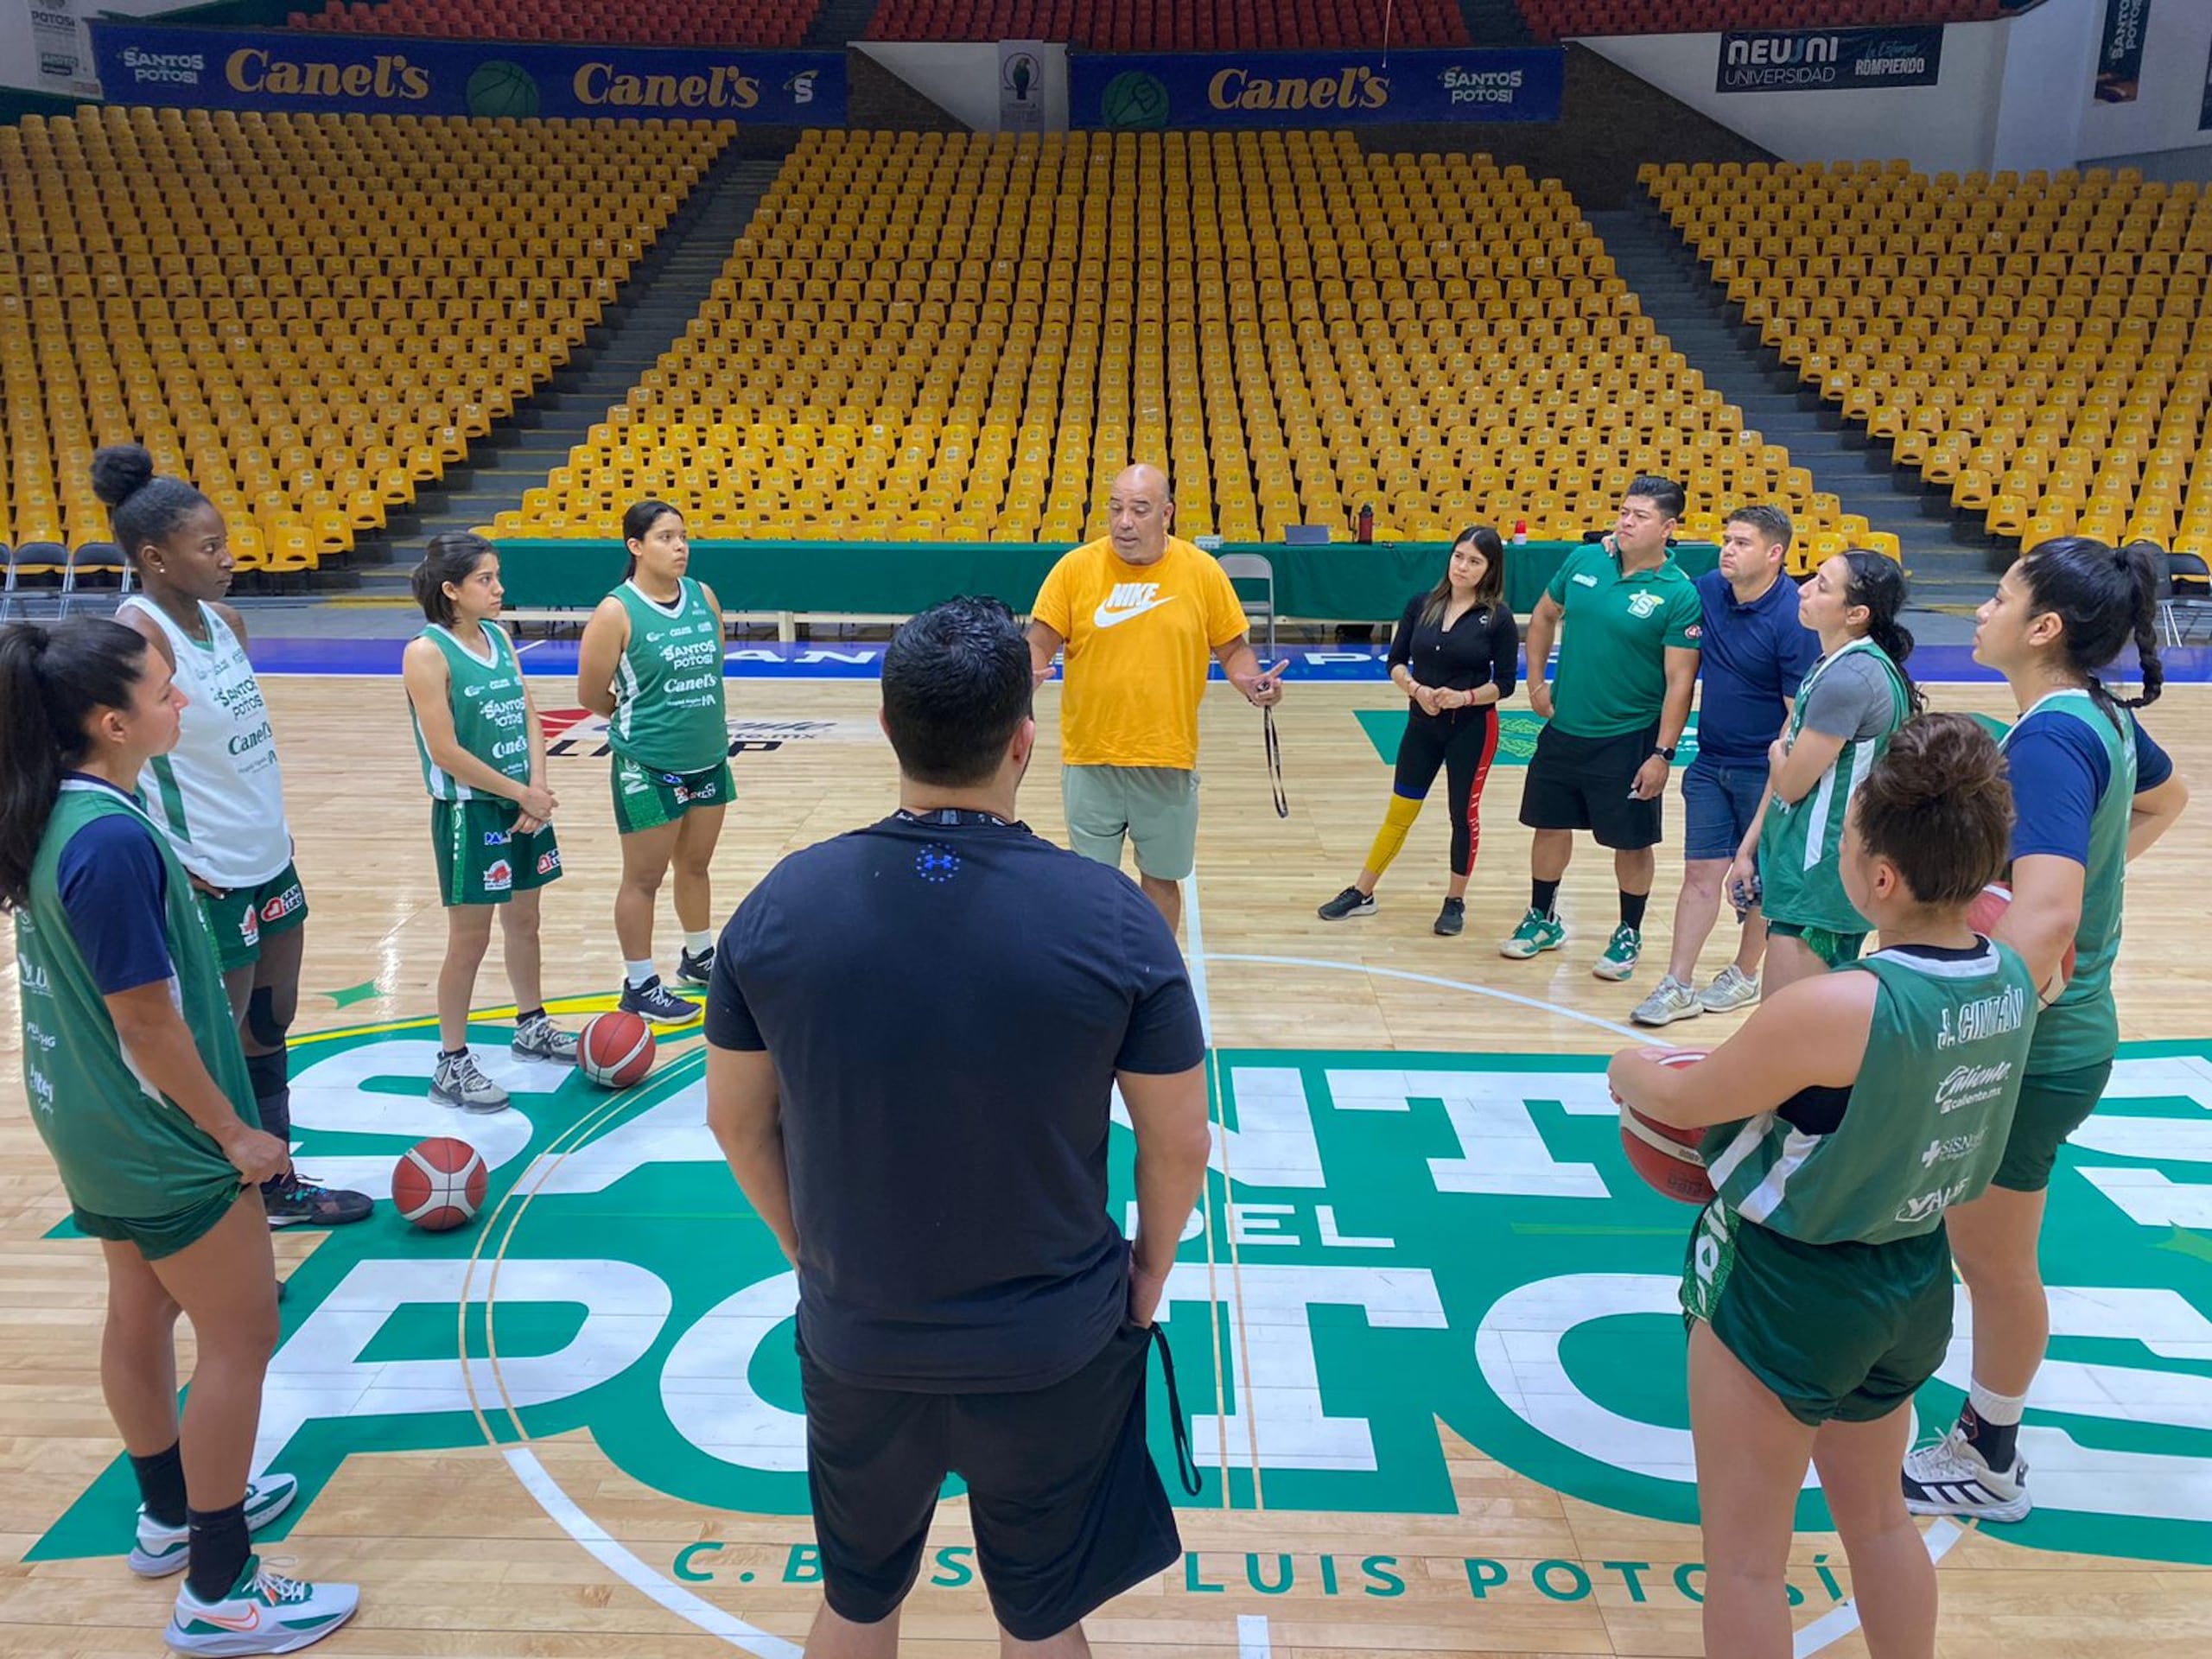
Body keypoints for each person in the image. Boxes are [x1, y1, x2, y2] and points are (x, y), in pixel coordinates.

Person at [706, 597, 1212, 1659]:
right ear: (1027, 740)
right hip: (1053, 1342)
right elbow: (1178, 1144)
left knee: (856, 1603)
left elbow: (736, 1123)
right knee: (1041, 1617)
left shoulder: (779, 905)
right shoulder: (1114, 917)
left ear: (888, 728)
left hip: (859, 1334)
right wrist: (1147, 1281)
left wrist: (815, 1257)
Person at [1610, 712, 2033, 1659]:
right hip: (1912, 1279)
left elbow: (1691, 1098)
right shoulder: (2008, 974)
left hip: (1791, 1286)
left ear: (1878, 877)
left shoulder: (1838, 1008)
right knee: (1878, 1524)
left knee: (1747, 1564)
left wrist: (1626, 1065)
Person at [0, 618, 359, 1654]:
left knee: (140, 1304)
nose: (182, 702)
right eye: (165, 692)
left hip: (89, 1121)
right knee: (244, 1336)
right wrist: (236, 1135)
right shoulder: (108, 840)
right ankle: (221, 1587)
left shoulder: (71, 812)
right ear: (113, 723)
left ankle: (169, 1514)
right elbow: (146, 1021)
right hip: (158, 1134)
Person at [1902, 538, 2189, 1522]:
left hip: (2037, 1053)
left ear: (2044, 629)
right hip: (2064, 1039)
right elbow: (2165, 798)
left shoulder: (2049, 738)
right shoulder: (2095, 715)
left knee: (1990, 1260)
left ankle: (1987, 1454)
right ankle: (1982, 1436)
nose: (1979, 610)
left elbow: (2049, 915)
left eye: (1998, 596)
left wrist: (1966, 1019)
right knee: (1979, 1250)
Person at [97, 445, 372, 1230]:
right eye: (208, 548)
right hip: (205, 870)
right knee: (210, 1045)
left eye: (225, 542)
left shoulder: (229, 621)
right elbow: (106, 765)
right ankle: (216, 1207)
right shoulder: (134, 642)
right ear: (155, 558)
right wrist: (167, 863)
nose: (227, 559)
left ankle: (275, 1179)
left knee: (270, 1019)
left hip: (267, 853)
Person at [1025, 464, 1285, 936]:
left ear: (1166, 513)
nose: (1124, 521)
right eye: (1116, 507)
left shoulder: (1201, 572)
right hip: (1089, 758)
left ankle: (1156, 976)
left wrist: (1252, 683)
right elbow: (1040, 638)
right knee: (1092, 885)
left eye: (1139, 510)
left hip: (1166, 758)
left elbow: (1233, 648)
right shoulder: (1075, 568)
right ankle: (1100, 979)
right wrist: (1027, 669)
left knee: (1161, 881)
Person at [402, 533, 579, 1113]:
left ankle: (531, 1024)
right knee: (469, 940)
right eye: (486, 579)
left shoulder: (500, 638)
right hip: (469, 812)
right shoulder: (425, 653)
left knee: (525, 922)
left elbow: (529, 712)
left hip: (521, 802)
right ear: (452, 590)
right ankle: (451, 1060)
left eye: (497, 576)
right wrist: (519, 792)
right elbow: (445, 751)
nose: (499, 588)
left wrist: (537, 788)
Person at [1502, 476, 1702, 980]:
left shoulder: (1679, 594)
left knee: (1631, 843)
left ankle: (1628, 931)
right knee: (1548, 826)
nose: (1626, 521)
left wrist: (1662, 753)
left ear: (1668, 528)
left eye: (1640, 515)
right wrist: (1535, 683)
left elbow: (1681, 682)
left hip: (1630, 737)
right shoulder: (1584, 560)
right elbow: (1545, 615)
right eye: (1624, 511)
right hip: (1566, 726)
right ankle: (1542, 918)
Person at [1633, 505, 1818, 1026]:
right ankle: (1678, 983)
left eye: (1741, 542)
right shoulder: (1710, 589)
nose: (1727, 551)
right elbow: (1661, 579)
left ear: (1775, 553)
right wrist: (1619, 549)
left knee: (1757, 877)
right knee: (1700, 873)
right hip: (1710, 760)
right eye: (1727, 540)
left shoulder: (1794, 617)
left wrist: (1772, 797)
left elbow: (1793, 722)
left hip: (1767, 769)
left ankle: (1743, 972)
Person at [1726, 550, 1922, 1000]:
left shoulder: (1851, 678)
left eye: (1822, 585)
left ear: (1856, 614)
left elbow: (1792, 782)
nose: (1803, 589)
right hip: (1810, 866)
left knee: (1788, 1033)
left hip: (1821, 874)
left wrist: (1778, 754)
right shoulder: (1835, 664)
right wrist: (1749, 847)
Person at [1316, 526, 1518, 937]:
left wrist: (1464, 698)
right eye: (1459, 556)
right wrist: (1416, 689)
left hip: (1473, 730)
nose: (1463, 566)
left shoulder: (1498, 617)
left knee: (1462, 815)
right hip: (1422, 725)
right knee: (1400, 812)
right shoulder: (1420, 605)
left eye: (1475, 561)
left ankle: (1454, 900)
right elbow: (1394, 660)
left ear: (1490, 569)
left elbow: (1507, 684)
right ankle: (1363, 892)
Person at [575, 500, 729, 1027]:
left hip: (708, 757)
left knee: (696, 864)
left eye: (683, 536)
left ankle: (698, 955)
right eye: (665, 537)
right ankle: (639, 982)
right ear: (635, 547)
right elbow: (591, 693)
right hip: (647, 761)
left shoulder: (703, 596)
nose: (680, 546)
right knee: (643, 879)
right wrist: (637, 719)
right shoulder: (616, 611)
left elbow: (716, 667)